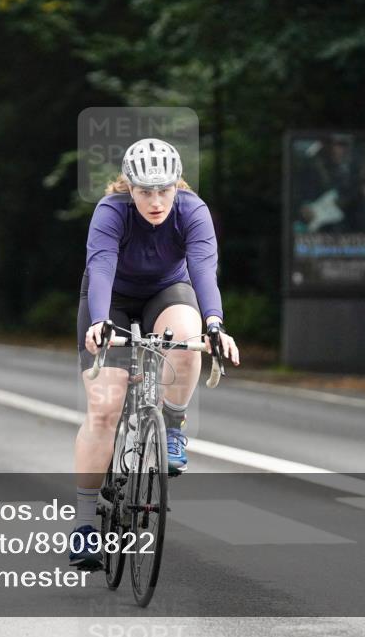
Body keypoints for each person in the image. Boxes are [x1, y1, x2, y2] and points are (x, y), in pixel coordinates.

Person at [69, 138, 240, 569]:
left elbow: (203, 267)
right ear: (129, 186)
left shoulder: (191, 210)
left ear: (176, 185)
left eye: (164, 190)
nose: (156, 200)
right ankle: (86, 525)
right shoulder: (112, 212)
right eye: (145, 191)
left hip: (168, 291)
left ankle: (173, 424)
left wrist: (216, 323)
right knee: (105, 407)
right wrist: (99, 322)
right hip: (111, 300)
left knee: (188, 336)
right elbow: (102, 264)